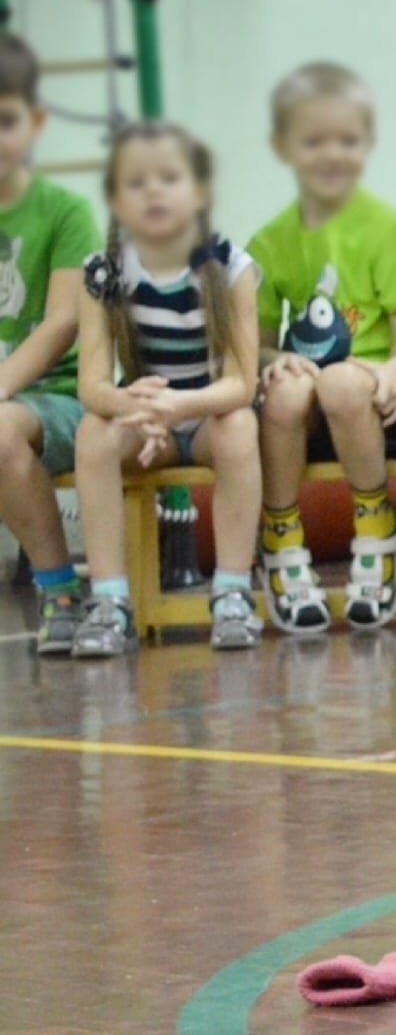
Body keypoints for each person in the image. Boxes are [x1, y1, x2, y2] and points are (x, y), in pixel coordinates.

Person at [69, 123, 261, 656]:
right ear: (114, 199)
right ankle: (109, 600)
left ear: (199, 192)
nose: (152, 191)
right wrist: (136, 407)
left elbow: (241, 385)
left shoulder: (231, 267)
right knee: (92, 434)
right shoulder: (104, 271)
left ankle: (231, 592)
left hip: (203, 412)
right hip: (142, 417)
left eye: (168, 178)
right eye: (136, 182)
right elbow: (91, 384)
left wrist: (179, 407)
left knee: (240, 428)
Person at [250, 61, 396, 633]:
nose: (331, 154)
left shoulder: (386, 229)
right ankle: (279, 535)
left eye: (346, 140)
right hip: (306, 410)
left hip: (371, 402)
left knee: (342, 380)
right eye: (313, 141)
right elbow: (255, 348)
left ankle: (377, 525)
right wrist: (278, 362)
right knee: (285, 390)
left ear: (367, 143)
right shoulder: (269, 243)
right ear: (281, 147)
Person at [0, 33, 99, 654]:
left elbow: (62, 320)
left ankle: (60, 589)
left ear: (35, 123)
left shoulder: (64, 212)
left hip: (56, 397)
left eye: (5, 121)